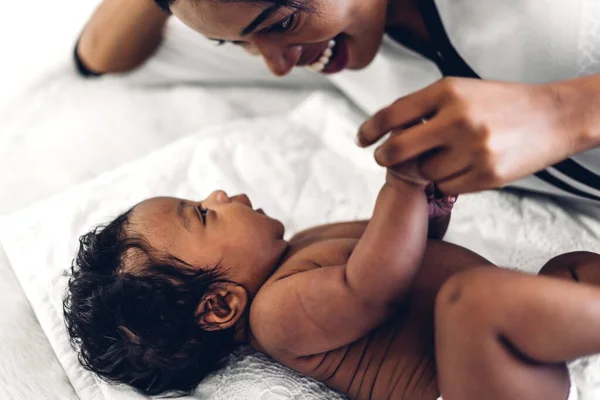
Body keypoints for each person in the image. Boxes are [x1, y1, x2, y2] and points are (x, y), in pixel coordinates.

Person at [63, 166, 599, 400]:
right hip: (471, 387)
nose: (219, 194)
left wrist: (429, 210)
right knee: (474, 300)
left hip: (515, 353)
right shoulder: (278, 313)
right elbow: (377, 288)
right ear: (222, 305)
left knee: (571, 269)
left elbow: (410, 254)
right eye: (202, 216)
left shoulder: (307, 243)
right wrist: (401, 183)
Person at [76, 0, 600, 204]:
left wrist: (565, 111)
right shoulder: (327, 44)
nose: (277, 64)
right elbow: (97, 54)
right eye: (235, 43)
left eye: (282, 25)